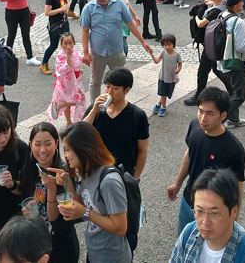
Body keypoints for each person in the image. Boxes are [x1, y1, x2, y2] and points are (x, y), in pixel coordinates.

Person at [167, 86, 245, 235]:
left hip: (212, 212)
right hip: (188, 202)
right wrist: (177, 184)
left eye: (210, 113)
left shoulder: (234, 149)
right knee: (183, 242)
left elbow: (238, 186)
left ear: (223, 115)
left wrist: (233, 219)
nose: (203, 118)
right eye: (200, 111)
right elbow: (190, 153)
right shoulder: (194, 126)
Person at [54, 122, 132, 263]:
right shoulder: (87, 173)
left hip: (113, 258)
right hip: (95, 253)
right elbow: (83, 204)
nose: (65, 155)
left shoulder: (109, 181)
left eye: (68, 150)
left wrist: (85, 212)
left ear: (83, 149)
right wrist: (67, 184)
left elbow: (120, 228)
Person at [170, 168, 245, 263]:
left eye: (214, 213)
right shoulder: (188, 234)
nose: (205, 222)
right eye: (200, 211)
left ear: (233, 211)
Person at [80, 0, 153, 103]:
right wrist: (85, 52)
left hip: (117, 51)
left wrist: (143, 42)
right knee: (95, 81)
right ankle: (94, 107)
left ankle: (117, 105)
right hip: (98, 52)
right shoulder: (88, 8)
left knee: (118, 81)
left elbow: (130, 24)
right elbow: (85, 31)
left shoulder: (119, 4)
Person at [15, 124, 79, 263]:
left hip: (61, 244)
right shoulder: (28, 171)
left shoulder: (63, 173)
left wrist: (51, 189)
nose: (42, 150)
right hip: (36, 242)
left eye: (48, 143)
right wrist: (26, 211)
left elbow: (53, 217)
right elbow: (25, 198)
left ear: (56, 144)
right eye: (37, 144)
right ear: (30, 145)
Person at [83, 67, 150, 180]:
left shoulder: (137, 115)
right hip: (95, 172)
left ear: (126, 90)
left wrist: (135, 178)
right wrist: (93, 111)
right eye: (107, 86)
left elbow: (142, 149)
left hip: (123, 175)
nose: (110, 92)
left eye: (115, 88)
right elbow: (80, 133)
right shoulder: (95, 110)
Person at [218, 0, 245, 129]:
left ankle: (233, 119)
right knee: (239, 96)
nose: (243, 3)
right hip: (234, 63)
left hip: (221, 61)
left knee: (232, 93)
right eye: (241, 2)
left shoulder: (222, 15)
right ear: (235, 7)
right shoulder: (238, 22)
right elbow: (240, 47)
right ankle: (219, 121)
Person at [0, 0, 39, 66]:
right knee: (11, 35)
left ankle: (30, 57)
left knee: (26, 34)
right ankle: (7, 58)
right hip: (11, 11)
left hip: (24, 10)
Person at [46, 32, 87, 125]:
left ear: (74, 43)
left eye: (70, 43)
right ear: (61, 44)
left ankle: (68, 117)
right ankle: (68, 119)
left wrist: (83, 59)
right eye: (65, 43)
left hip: (76, 80)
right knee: (77, 100)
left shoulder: (74, 50)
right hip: (67, 82)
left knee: (76, 100)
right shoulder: (61, 55)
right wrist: (68, 56)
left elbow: (77, 57)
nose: (68, 46)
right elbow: (62, 70)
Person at [39, 0, 70, 75]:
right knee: (54, 45)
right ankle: (44, 64)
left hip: (64, 22)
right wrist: (61, 9)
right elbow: (47, 12)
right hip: (55, 25)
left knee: (68, 44)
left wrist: (66, 9)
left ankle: (70, 64)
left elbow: (66, 5)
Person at [149, 34, 182, 116]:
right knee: (163, 93)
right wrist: (151, 54)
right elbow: (156, 61)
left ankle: (159, 103)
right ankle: (163, 107)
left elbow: (180, 63)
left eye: (169, 45)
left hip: (171, 78)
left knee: (166, 93)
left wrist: (178, 69)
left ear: (173, 44)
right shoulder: (163, 53)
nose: (167, 47)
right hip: (163, 77)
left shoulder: (177, 55)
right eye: (165, 45)